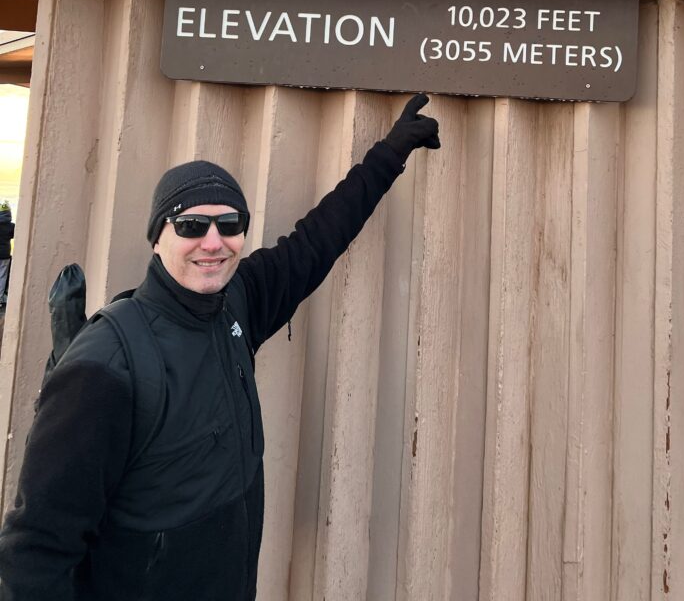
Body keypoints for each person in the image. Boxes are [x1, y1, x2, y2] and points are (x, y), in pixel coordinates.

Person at [0, 93, 439, 601]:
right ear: (157, 237)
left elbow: (320, 238)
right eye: (191, 225)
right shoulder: (106, 365)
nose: (214, 242)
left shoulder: (239, 301)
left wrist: (389, 154)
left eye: (229, 224)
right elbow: (34, 552)